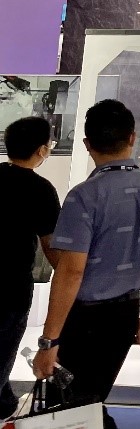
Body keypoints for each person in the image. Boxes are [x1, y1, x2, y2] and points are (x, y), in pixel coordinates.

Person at [33, 99, 140, 429]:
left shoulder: (84, 196)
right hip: (125, 313)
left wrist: (49, 342)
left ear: (87, 144)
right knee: (91, 399)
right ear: (132, 138)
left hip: (84, 318)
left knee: (69, 408)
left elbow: (71, 271)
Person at [0, 117, 61, 419]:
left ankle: (5, 402)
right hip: (10, 288)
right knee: (2, 351)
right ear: (41, 150)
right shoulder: (41, 190)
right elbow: (52, 247)